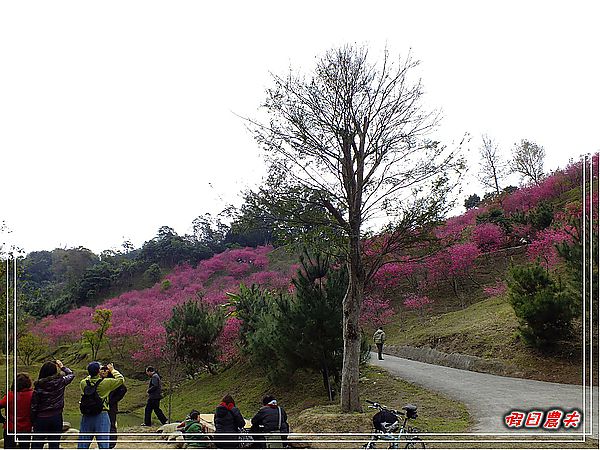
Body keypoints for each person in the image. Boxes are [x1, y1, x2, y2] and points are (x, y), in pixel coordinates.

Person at [77, 362, 125, 449]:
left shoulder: (83, 383)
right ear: (99, 371)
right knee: (103, 444)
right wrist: (112, 370)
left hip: (87, 415)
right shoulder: (105, 383)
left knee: (83, 444)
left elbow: (88, 378)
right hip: (101, 415)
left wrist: (92, 373)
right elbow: (121, 379)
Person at [30, 359, 75, 449]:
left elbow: (34, 406)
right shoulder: (61, 381)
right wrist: (62, 367)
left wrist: (33, 420)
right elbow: (71, 374)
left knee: (37, 445)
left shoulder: (39, 385)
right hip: (56, 416)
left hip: (41, 418)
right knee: (54, 445)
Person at [1, 373, 34, 449]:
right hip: (26, 428)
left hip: (10, 428)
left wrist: (1, 419)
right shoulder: (32, 395)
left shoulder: (10, 395)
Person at [99, 365, 127, 449]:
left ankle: (111, 444)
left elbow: (123, 389)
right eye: (102, 370)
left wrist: (113, 400)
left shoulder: (114, 381)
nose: (103, 372)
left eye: (105, 370)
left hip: (111, 406)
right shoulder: (99, 379)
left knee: (111, 424)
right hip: (100, 407)